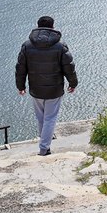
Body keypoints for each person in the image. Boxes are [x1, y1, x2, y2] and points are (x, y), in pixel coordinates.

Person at [15, 16, 78, 156]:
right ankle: (44, 148)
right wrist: (73, 83)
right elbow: (69, 67)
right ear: (53, 27)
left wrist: (20, 86)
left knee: (41, 118)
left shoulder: (27, 45)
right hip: (54, 89)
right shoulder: (60, 46)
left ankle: (45, 146)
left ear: (37, 27)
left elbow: (20, 68)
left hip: (36, 89)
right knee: (50, 118)